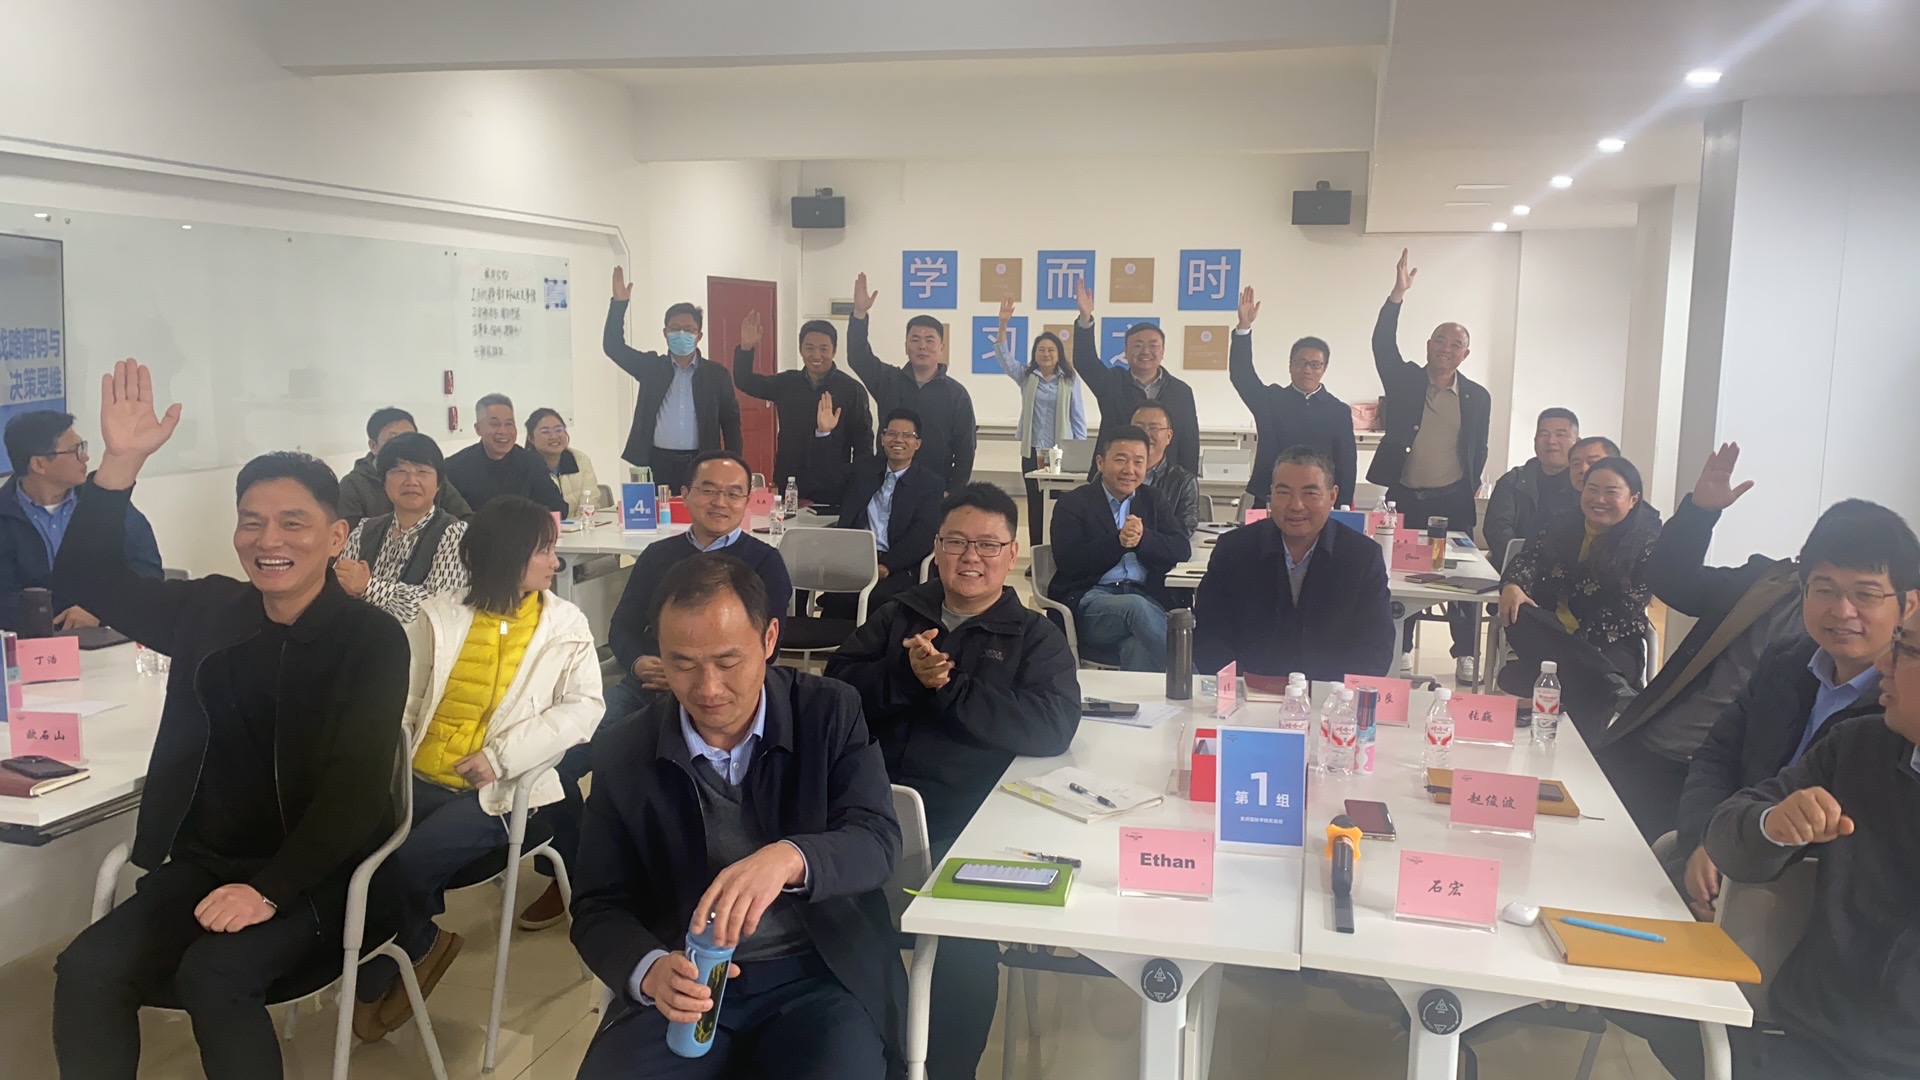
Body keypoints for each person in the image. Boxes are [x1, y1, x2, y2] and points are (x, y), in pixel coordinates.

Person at [52, 360, 408, 1080]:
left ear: (336, 535)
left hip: (324, 877)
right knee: (86, 968)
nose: (268, 539)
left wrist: (270, 888)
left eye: (293, 522)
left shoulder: (370, 640)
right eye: (251, 521)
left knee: (212, 977)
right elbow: (86, 581)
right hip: (204, 866)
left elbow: (357, 790)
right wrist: (119, 465)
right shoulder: (209, 611)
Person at [569, 554, 904, 1080]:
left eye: (728, 662)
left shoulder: (828, 713)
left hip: (819, 974)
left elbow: (877, 839)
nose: (707, 689)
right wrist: (650, 971)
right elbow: (597, 905)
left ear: (769, 639)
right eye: (682, 664)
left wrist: (791, 858)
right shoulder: (624, 750)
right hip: (686, 975)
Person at [827, 483, 1079, 1080]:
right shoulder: (898, 614)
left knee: (962, 950)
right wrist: (905, 675)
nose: (971, 557)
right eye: (957, 542)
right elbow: (835, 692)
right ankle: (875, 1058)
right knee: (835, 934)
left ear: (1012, 553)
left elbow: (1052, 726)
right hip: (871, 814)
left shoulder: (1033, 635)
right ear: (936, 549)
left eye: (988, 545)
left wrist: (951, 688)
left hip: (970, 825)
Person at [350, 495, 603, 1041]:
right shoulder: (438, 615)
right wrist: (382, 757)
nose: (554, 562)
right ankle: (410, 949)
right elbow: (407, 699)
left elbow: (584, 709)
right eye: (543, 551)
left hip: (504, 793)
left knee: (404, 864)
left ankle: (400, 961)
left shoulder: (565, 625)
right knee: (356, 858)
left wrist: (501, 757)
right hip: (417, 778)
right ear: (506, 555)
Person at [517, 450, 794, 931]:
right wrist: (638, 661)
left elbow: (767, 647)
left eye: (734, 493)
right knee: (553, 765)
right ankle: (575, 873)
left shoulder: (764, 562)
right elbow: (623, 626)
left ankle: (661, 874)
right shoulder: (658, 556)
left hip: (718, 697)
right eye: (709, 489)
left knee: (656, 771)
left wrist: (700, 670)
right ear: (685, 495)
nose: (721, 501)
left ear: (748, 501)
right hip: (647, 685)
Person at [1694, 596, 1920, 1079]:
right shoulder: (1859, 747)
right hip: (1807, 1046)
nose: (1883, 663)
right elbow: (1727, 832)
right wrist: (1773, 826)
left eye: (1905, 649)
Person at [1668, 500, 1917, 922]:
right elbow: (1717, 755)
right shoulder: (1787, 661)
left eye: (1865, 594)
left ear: (1908, 605)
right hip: (1721, 865)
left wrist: (1741, 889)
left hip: (1793, 914)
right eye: (1824, 589)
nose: (1842, 611)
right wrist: (1703, 843)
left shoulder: (1898, 719)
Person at [1591, 445, 1808, 842]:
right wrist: (1699, 513)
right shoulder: (1765, 584)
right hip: (1648, 746)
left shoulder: (1864, 659)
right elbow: (1673, 581)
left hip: (1716, 782)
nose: (1844, 607)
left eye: (1864, 591)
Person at [1369, 249, 1491, 676]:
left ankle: (1466, 652)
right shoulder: (1405, 380)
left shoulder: (1477, 397)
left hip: (1452, 500)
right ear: (1428, 346)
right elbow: (1382, 345)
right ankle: (1403, 644)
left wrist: (1468, 484)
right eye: (1440, 340)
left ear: (1465, 354)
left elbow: (1479, 446)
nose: (1446, 348)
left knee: (1462, 577)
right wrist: (1397, 296)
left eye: (1456, 344)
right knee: (1403, 573)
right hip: (1405, 498)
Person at [1195, 446, 1395, 680]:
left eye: (1310, 493)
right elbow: (1209, 634)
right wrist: (1239, 684)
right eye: (1284, 492)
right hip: (1246, 690)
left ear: (1332, 496)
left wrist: (1335, 693)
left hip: (1330, 694)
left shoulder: (1361, 556)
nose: (1296, 505)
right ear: (1271, 494)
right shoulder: (1234, 550)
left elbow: (1375, 646)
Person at [1497, 456, 1661, 736]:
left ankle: (1597, 698)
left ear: (1633, 499)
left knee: (1579, 685)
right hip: (1554, 636)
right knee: (1519, 613)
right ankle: (1610, 685)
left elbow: (1625, 608)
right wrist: (1513, 584)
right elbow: (1529, 558)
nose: (1600, 499)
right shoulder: (1562, 524)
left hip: (1612, 643)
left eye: (1611, 492)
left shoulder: (1647, 541)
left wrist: (1574, 646)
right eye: (1592, 489)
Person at [0, 409, 161, 631]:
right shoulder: (5, 514)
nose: (85, 457)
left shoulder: (103, 501)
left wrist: (97, 611)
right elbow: (4, 598)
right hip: (32, 640)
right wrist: (58, 620)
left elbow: (147, 569)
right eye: (75, 451)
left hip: (109, 632)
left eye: (82, 447)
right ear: (39, 465)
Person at [1047, 426, 1191, 672]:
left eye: (1138, 462)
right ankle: (1195, 680)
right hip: (1092, 603)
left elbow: (1180, 549)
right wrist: (1118, 542)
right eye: (1121, 460)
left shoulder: (1153, 499)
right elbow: (1069, 562)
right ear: (1100, 462)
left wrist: (1143, 539)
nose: (1129, 470)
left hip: (1145, 598)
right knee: (1136, 608)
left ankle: (1149, 699)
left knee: (1136, 646)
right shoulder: (1073, 503)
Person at [603, 267, 743, 493]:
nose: (681, 334)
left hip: (702, 461)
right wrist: (619, 305)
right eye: (675, 329)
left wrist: (734, 466)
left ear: (699, 336)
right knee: (659, 512)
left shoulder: (716, 375)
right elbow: (613, 347)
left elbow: (731, 424)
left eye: (688, 329)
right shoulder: (651, 367)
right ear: (665, 332)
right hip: (657, 461)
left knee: (700, 510)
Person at [1226, 287, 1356, 510]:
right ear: (1290, 365)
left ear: (1324, 368)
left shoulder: (1338, 411)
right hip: (1269, 496)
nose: (1307, 370)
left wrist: (1342, 507)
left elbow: (1347, 464)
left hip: (1316, 500)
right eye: (1300, 363)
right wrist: (1243, 328)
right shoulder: (1270, 400)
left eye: (1315, 364)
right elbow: (1241, 375)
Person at [846, 272, 976, 490]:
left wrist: (952, 492)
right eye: (915, 340)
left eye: (929, 340)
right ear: (906, 346)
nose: (922, 346)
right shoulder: (888, 380)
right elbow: (858, 357)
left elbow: (966, 450)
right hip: (888, 484)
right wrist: (859, 314)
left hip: (935, 488)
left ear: (942, 347)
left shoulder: (956, 394)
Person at [730, 311, 873, 503]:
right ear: (800, 350)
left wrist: (859, 484)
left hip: (834, 482)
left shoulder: (851, 389)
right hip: (790, 479)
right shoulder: (787, 383)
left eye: (824, 349)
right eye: (809, 348)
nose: (816, 355)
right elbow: (745, 380)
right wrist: (746, 347)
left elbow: (863, 442)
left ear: (834, 351)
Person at [813, 407, 942, 614]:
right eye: (892, 433)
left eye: (907, 435)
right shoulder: (864, 469)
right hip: (855, 560)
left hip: (899, 566)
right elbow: (827, 479)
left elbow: (922, 535)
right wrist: (824, 433)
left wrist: (886, 565)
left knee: (881, 601)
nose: (898, 440)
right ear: (882, 439)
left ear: (917, 444)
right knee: (836, 598)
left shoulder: (929, 484)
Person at [337, 432, 470, 623]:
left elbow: (437, 606)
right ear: (383, 482)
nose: (411, 481)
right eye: (400, 471)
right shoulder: (364, 529)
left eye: (422, 472)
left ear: (439, 484)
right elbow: (340, 583)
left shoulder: (453, 533)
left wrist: (368, 587)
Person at [1072, 281, 1200, 474]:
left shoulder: (1181, 391)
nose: (1145, 351)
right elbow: (1085, 361)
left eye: (1153, 345)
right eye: (1138, 345)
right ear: (1125, 351)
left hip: (1164, 480)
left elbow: (1189, 442)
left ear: (1163, 351)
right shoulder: (1112, 383)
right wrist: (1085, 319)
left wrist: (1187, 483)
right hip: (1115, 476)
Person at [991, 299, 1086, 545]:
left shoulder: (1069, 380)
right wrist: (1003, 324)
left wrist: (1079, 453)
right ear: (1035, 354)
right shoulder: (1026, 376)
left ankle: (1058, 552)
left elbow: (1078, 417)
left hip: (1060, 454)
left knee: (1060, 505)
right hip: (1033, 452)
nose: (1046, 354)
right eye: (1041, 349)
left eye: (1051, 350)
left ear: (1059, 354)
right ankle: (1037, 554)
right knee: (1035, 504)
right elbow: (1003, 357)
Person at [337, 407, 474, 528]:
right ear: (373, 446)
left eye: (410, 438)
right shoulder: (353, 485)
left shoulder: (430, 476)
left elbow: (466, 519)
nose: (403, 446)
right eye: (393, 439)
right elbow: (347, 536)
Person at [1484, 408, 1581, 569]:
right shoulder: (1513, 481)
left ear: (1577, 442)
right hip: (1513, 570)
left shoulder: (1585, 485)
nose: (1551, 441)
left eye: (1560, 434)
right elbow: (1497, 530)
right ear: (1535, 440)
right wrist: (1524, 569)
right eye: (1544, 434)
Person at [443, 394, 567, 515]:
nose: (503, 431)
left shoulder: (531, 462)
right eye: (495, 424)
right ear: (478, 429)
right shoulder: (454, 468)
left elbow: (558, 508)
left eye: (509, 424)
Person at [1133, 401, 1200, 536]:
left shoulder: (1184, 482)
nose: (1145, 434)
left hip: (1158, 548)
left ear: (1168, 436)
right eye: (1139, 427)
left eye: (1154, 428)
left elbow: (1183, 531)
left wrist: (1141, 538)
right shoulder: (1111, 475)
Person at [524, 407, 601, 517]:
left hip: (579, 525)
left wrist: (581, 523)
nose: (554, 436)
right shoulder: (525, 465)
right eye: (545, 431)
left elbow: (591, 499)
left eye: (559, 429)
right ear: (531, 438)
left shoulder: (579, 459)